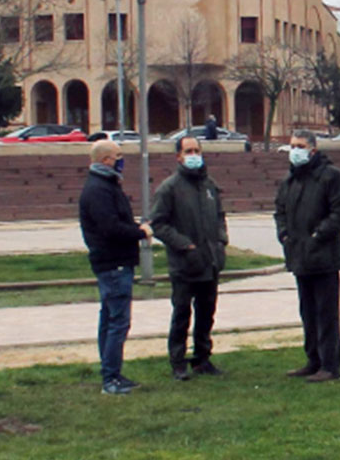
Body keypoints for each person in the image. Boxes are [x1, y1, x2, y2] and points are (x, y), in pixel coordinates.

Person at [274, 129, 340, 382]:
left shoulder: (331, 177)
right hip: (299, 257)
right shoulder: (290, 180)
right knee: (307, 312)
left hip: (324, 256)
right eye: (292, 146)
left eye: (300, 146)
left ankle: (330, 365)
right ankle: (313, 360)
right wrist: (284, 235)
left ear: (313, 150)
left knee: (326, 313)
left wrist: (319, 235)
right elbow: (280, 211)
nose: (295, 150)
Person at [149, 135, 229, 381]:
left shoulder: (209, 186)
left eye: (197, 150)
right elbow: (159, 224)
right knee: (182, 313)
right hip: (184, 264)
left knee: (207, 313)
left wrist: (221, 241)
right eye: (189, 151)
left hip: (209, 262)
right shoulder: (169, 188)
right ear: (179, 156)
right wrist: (185, 245)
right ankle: (178, 361)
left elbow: (219, 216)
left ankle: (202, 358)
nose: (194, 155)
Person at [78, 138, 152, 395]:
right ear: (105, 160)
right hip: (113, 262)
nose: (122, 160)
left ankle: (112, 373)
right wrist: (139, 232)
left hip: (113, 261)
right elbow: (110, 228)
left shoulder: (105, 186)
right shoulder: (100, 190)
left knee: (110, 319)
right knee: (117, 321)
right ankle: (111, 378)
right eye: (118, 155)